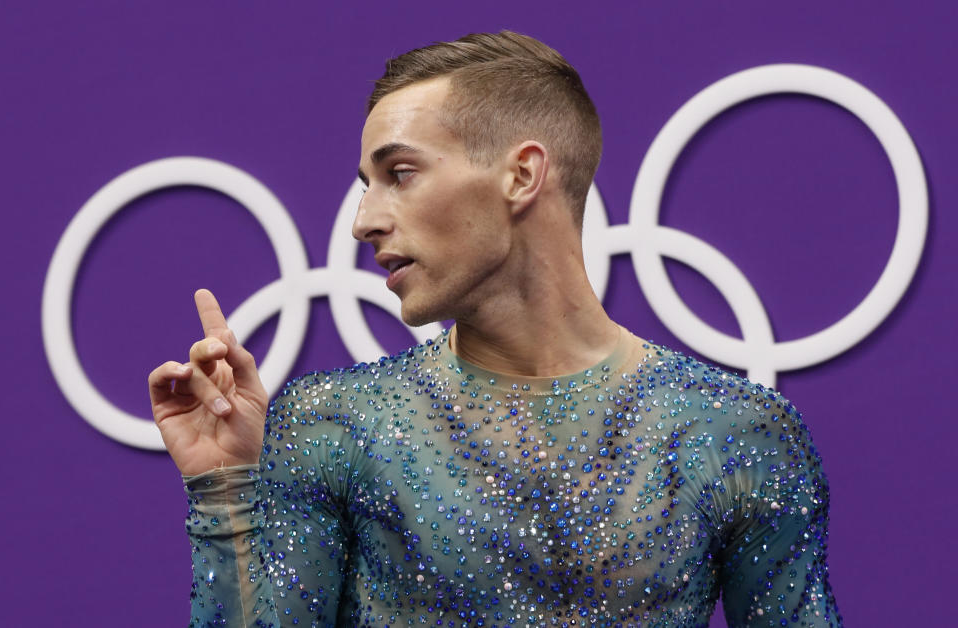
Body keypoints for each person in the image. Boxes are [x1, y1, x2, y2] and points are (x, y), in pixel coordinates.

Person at [149, 31, 841, 627]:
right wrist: (226, 490)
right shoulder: (332, 424)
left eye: (400, 173)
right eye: (368, 182)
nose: (363, 221)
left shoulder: (735, 432)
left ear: (521, 175)